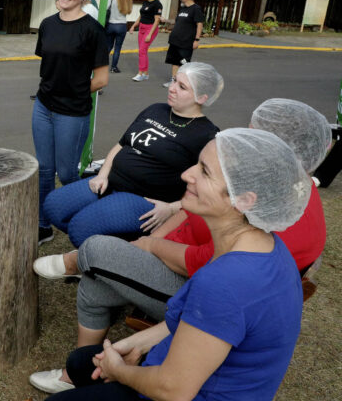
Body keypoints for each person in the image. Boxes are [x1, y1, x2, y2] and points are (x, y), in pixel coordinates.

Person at [31, 128, 308, 400]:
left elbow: (172, 390)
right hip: (185, 372)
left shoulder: (224, 282)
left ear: (245, 200)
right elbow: (199, 325)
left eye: (204, 171)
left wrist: (118, 371)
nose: (186, 174)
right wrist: (134, 344)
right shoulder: (266, 248)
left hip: (184, 390)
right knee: (82, 362)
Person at [34, 98, 329, 336]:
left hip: (193, 288)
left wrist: (149, 247)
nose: (242, 139)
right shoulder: (275, 188)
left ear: (275, 150)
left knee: (97, 249)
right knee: (99, 265)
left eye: (250, 135)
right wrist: (153, 237)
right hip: (177, 256)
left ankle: (75, 264)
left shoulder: (270, 215)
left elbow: (206, 265)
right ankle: (82, 365)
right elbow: (192, 211)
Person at [42, 62, 222, 247]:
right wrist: (102, 175)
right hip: (110, 182)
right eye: (174, 81)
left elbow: (212, 189)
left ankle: (103, 258)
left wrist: (171, 208)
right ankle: (110, 246)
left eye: (182, 87)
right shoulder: (156, 109)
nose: (172, 88)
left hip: (143, 197)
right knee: (54, 207)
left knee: (80, 228)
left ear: (202, 97)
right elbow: (121, 145)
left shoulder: (206, 135)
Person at [33, 0, 110, 245]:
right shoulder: (47, 24)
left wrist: (73, 90)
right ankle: (43, 226)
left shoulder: (93, 31)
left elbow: (101, 80)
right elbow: (50, 66)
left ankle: (89, 218)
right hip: (43, 107)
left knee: (66, 172)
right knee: (43, 169)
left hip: (73, 112)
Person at [162, 0, 204, 87]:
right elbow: (177, 22)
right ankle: (174, 81)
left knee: (184, 63)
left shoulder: (196, 9)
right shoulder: (183, 9)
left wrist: (197, 40)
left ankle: (187, 82)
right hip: (175, 40)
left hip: (186, 41)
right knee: (174, 61)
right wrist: (166, 20)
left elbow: (199, 24)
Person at [127, 0, 162, 82]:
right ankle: (146, 73)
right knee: (143, 51)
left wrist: (150, 34)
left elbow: (157, 20)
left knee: (142, 51)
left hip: (150, 29)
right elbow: (141, 16)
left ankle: (140, 73)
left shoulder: (157, 4)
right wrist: (134, 26)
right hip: (142, 27)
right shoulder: (145, 2)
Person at [105, 0, 133, 73]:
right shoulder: (127, 0)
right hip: (121, 25)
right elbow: (128, 12)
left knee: (108, 46)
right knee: (117, 48)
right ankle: (113, 67)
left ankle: (100, 64)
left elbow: (105, 8)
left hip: (111, 24)